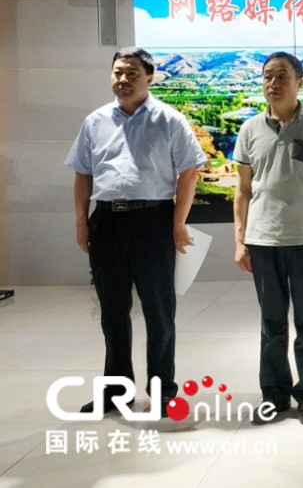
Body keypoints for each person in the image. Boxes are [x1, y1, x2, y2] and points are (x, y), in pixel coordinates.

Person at [65, 46, 206, 417]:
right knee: (112, 312)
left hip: (153, 221)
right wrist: (81, 222)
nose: (123, 79)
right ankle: (116, 392)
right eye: (118, 72)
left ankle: (163, 393)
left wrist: (178, 222)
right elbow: (82, 174)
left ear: (149, 77)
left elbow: (189, 171)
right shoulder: (95, 121)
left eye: (131, 73)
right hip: (107, 221)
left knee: (159, 312)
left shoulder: (169, 119)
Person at [233, 51, 303, 426]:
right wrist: (240, 239)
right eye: (267, 76)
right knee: (271, 325)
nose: (273, 83)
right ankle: (274, 396)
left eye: (281, 76)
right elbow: (243, 190)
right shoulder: (250, 129)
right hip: (263, 240)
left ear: (299, 82)